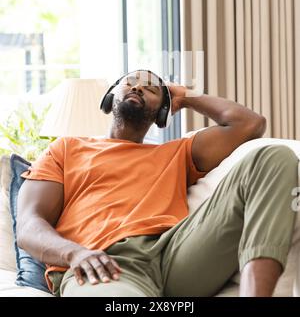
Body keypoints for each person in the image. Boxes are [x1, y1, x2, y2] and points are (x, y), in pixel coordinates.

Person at [17, 69, 298, 297]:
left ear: (162, 113)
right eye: (131, 82)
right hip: (103, 263)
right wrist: (74, 253)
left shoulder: (177, 153)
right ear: (109, 97)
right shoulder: (67, 149)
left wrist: (186, 96)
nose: (138, 88)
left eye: (151, 89)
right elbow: (29, 226)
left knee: (274, 158)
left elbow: (250, 124)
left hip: (175, 255)